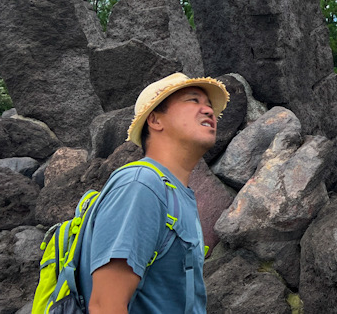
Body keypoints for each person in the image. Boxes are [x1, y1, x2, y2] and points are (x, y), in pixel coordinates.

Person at [77, 72, 229, 314]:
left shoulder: (177, 194)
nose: (208, 111)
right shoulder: (141, 185)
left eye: (209, 105)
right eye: (193, 100)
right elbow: (105, 305)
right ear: (155, 120)